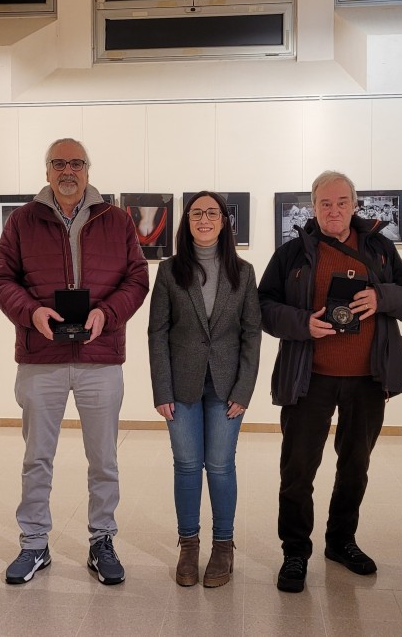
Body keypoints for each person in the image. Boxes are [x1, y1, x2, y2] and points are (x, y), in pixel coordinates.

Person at [0, 138, 149, 586]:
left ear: (88, 170)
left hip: (101, 357)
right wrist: (31, 313)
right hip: (42, 358)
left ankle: (102, 541)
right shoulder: (22, 220)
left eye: (76, 163)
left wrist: (107, 313)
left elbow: (138, 279)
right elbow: (1, 279)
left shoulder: (116, 220)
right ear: (47, 171)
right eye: (58, 163)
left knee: (104, 460)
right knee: (37, 458)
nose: (68, 171)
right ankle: (34, 543)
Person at [258, 170, 402, 593]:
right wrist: (301, 323)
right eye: (325, 203)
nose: (334, 210)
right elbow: (263, 306)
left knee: (355, 467)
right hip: (307, 378)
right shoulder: (292, 253)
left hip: (368, 379)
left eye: (342, 202)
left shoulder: (380, 249)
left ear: (355, 205)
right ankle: (295, 551)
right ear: (313, 207)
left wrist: (382, 297)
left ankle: (341, 541)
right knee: (297, 470)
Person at [148, 192, 261, 588]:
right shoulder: (169, 271)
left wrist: (244, 390)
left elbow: (252, 334)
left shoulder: (243, 272)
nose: (205, 219)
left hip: (228, 387)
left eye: (212, 212)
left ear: (224, 222)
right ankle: (189, 545)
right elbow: (157, 333)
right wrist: (161, 389)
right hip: (181, 386)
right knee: (186, 465)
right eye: (197, 213)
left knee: (220, 465)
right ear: (187, 221)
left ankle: (223, 546)